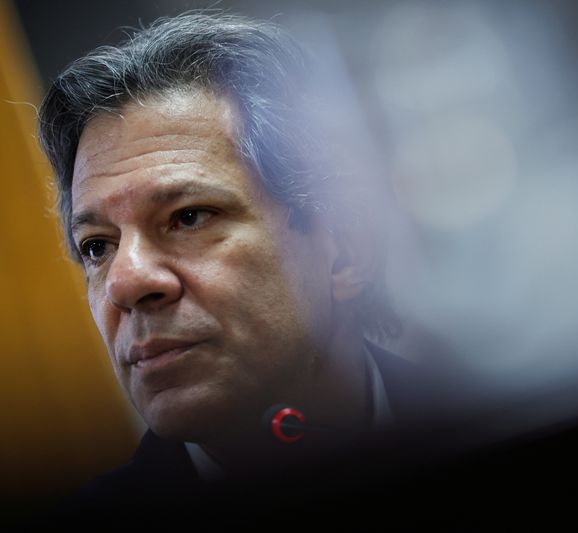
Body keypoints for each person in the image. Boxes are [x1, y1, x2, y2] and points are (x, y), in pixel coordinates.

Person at [36, 12, 444, 521]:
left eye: (188, 217)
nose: (125, 281)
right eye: (97, 246)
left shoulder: (505, 416)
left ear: (346, 247)